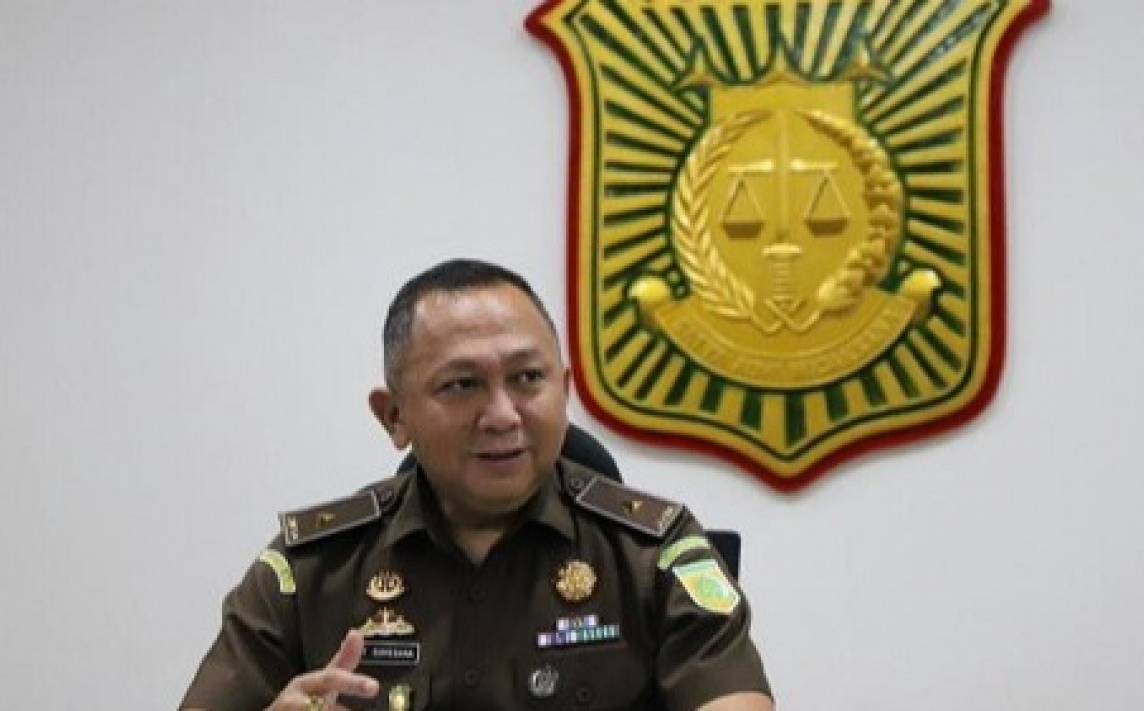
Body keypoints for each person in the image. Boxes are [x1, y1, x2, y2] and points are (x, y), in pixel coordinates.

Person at [180, 258, 774, 711]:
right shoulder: (312, 571)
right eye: (462, 385)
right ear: (394, 416)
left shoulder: (653, 555)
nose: (503, 415)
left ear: (564, 389)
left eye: (528, 378)